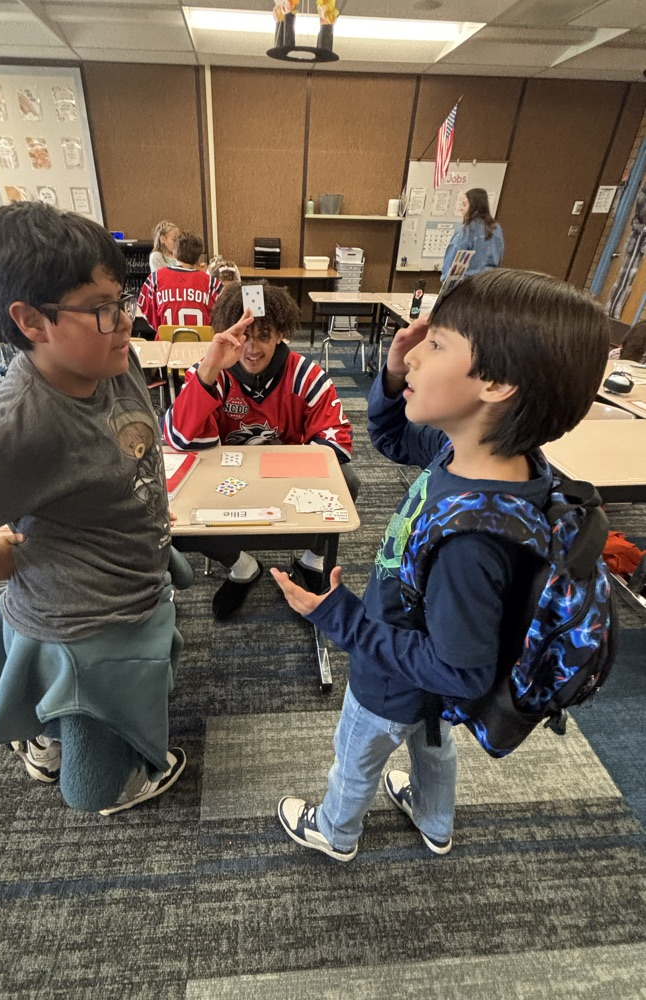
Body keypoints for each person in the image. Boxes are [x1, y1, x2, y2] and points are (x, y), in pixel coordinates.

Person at [271, 268, 609, 862]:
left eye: (435, 344)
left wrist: (342, 619)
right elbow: (392, 438)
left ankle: (336, 830)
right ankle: (434, 820)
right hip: (431, 658)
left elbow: (461, 673)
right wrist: (393, 374)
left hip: (393, 675)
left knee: (356, 752)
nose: (412, 354)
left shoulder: (470, 545)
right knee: (433, 742)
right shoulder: (492, 458)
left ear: (496, 383)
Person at [0, 201, 190, 815]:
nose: (125, 321)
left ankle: (48, 727)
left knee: (86, 720)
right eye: (102, 308)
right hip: (83, 625)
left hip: (128, 583)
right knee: (94, 789)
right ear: (31, 320)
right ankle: (70, 742)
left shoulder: (110, 359)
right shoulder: (17, 427)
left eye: (123, 300)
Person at [165, 281, 359, 620]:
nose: (251, 348)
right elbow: (179, 438)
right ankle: (242, 566)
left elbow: (336, 443)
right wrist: (209, 369)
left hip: (288, 483)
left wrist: (273, 474)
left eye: (263, 335)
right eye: (243, 336)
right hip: (224, 485)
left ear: (281, 333)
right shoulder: (211, 372)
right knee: (174, 509)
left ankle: (311, 560)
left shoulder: (306, 375)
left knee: (347, 480)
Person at [139, 231, 223, 335]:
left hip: (166, 342)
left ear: (174, 253)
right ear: (199, 258)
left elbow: (147, 313)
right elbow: (223, 317)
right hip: (202, 343)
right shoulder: (212, 283)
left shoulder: (155, 278)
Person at [440, 188, 504, 282]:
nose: (461, 209)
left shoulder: (466, 231)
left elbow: (451, 269)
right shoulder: (496, 229)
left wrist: (445, 279)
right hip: (490, 283)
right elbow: (499, 259)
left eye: (464, 204)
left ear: (473, 206)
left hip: (468, 285)